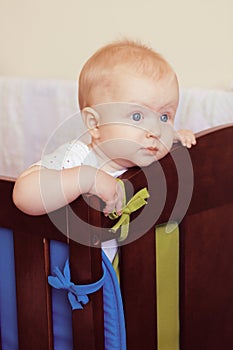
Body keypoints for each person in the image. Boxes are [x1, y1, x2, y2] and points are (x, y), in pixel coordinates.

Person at [13, 39, 196, 231]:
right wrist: (86, 179)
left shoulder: (151, 157)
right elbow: (23, 193)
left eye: (164, 117)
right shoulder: (78, 158)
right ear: (95, 124)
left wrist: (174, 139)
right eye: (137, 116)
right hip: (77, 260)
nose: (156, 131)